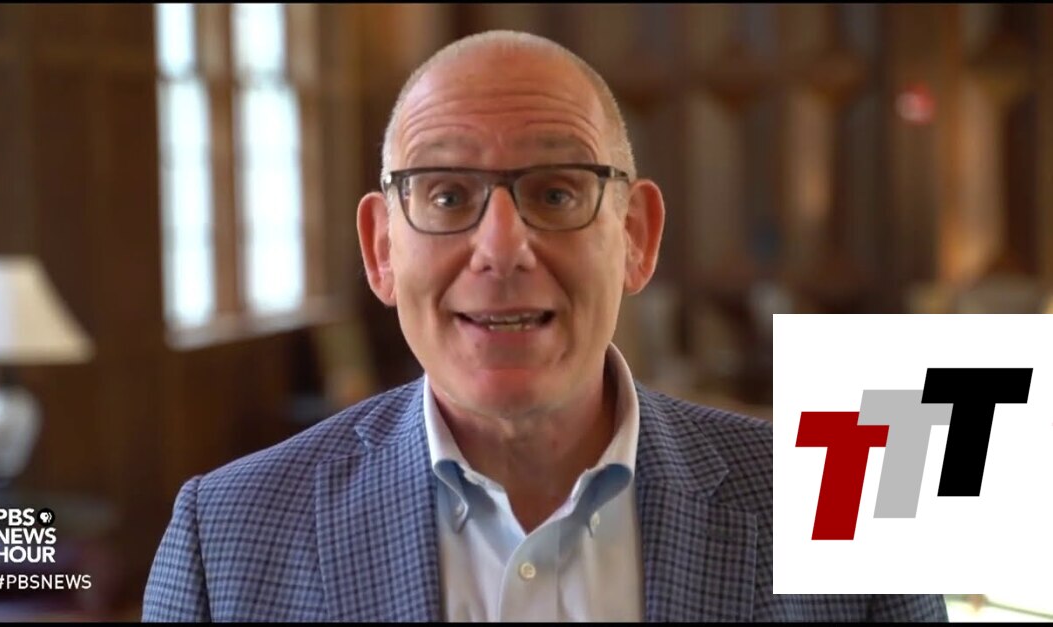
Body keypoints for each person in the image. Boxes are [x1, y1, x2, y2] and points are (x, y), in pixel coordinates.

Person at [143, 30, 948, 622]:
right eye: (446, 195)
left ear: (635, 237)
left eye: (557, 192)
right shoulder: (227, 537)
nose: (501, 249)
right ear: (380, 248)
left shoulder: (849, 503)